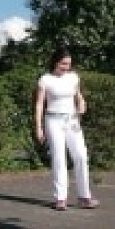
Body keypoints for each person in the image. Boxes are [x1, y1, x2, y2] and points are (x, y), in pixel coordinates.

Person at [34, 46, 99, 211]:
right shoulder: (45, 79)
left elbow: (78, 95)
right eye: (63, 63)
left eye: (69, 64)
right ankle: (60, 198)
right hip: (53, 120)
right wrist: (39, 127)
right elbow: (40, 104)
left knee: (81, 156)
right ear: (55, 62)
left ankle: (84, 196)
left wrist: (82, 103)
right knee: (59, 158)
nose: (66, 67)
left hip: (72, 120)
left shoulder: (73, 77)